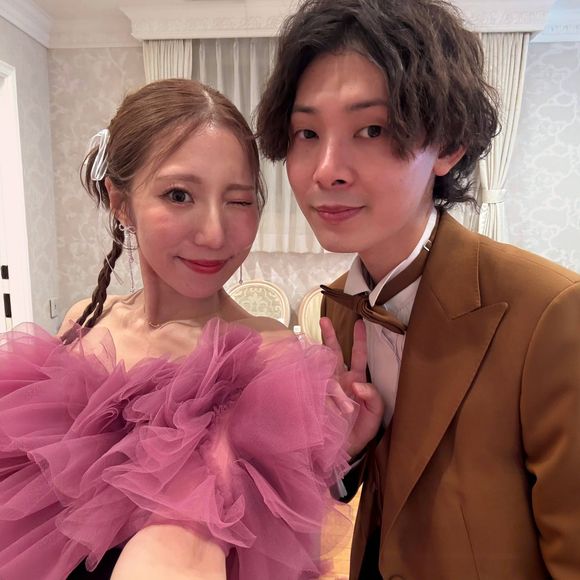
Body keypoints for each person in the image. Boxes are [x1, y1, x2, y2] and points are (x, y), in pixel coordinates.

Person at [256, 0, 580, 578]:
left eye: (371, 129)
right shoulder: (341, 305)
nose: (326, 169)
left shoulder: (549, 312)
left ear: (448, 145)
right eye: (307, 132)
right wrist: (345, 450)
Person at [0, 78, 359, 580]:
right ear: (120, 202)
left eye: (238, 200)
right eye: (179, 195)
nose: (214, 233)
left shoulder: (265, 356)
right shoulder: (84, 324)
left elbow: (202, 541)